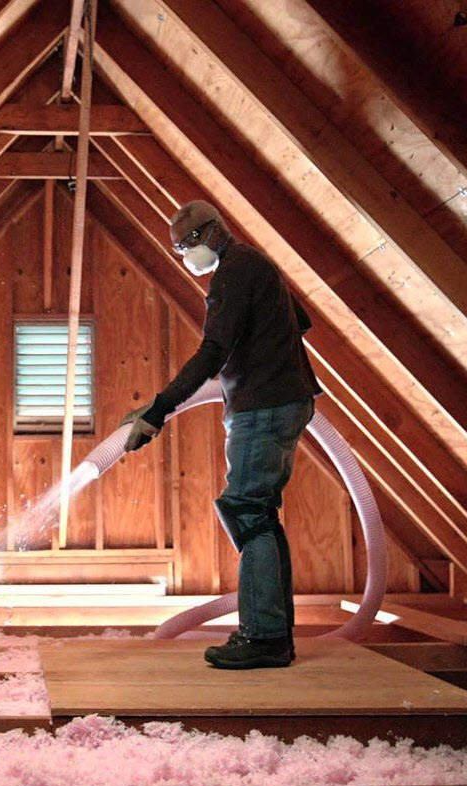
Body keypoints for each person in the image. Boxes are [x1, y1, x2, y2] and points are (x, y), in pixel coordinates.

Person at [120, 200, 321, 669]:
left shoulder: (233, 271)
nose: (186, 257)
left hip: (264, 406)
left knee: (247, 511)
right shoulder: (255, 264)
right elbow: (302, 320)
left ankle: (265, 638)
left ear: (210, 235)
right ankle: (274, 632)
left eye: (186, 246)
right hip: (283, 399)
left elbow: (212, 350)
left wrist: (160, 408)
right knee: (260, 514)